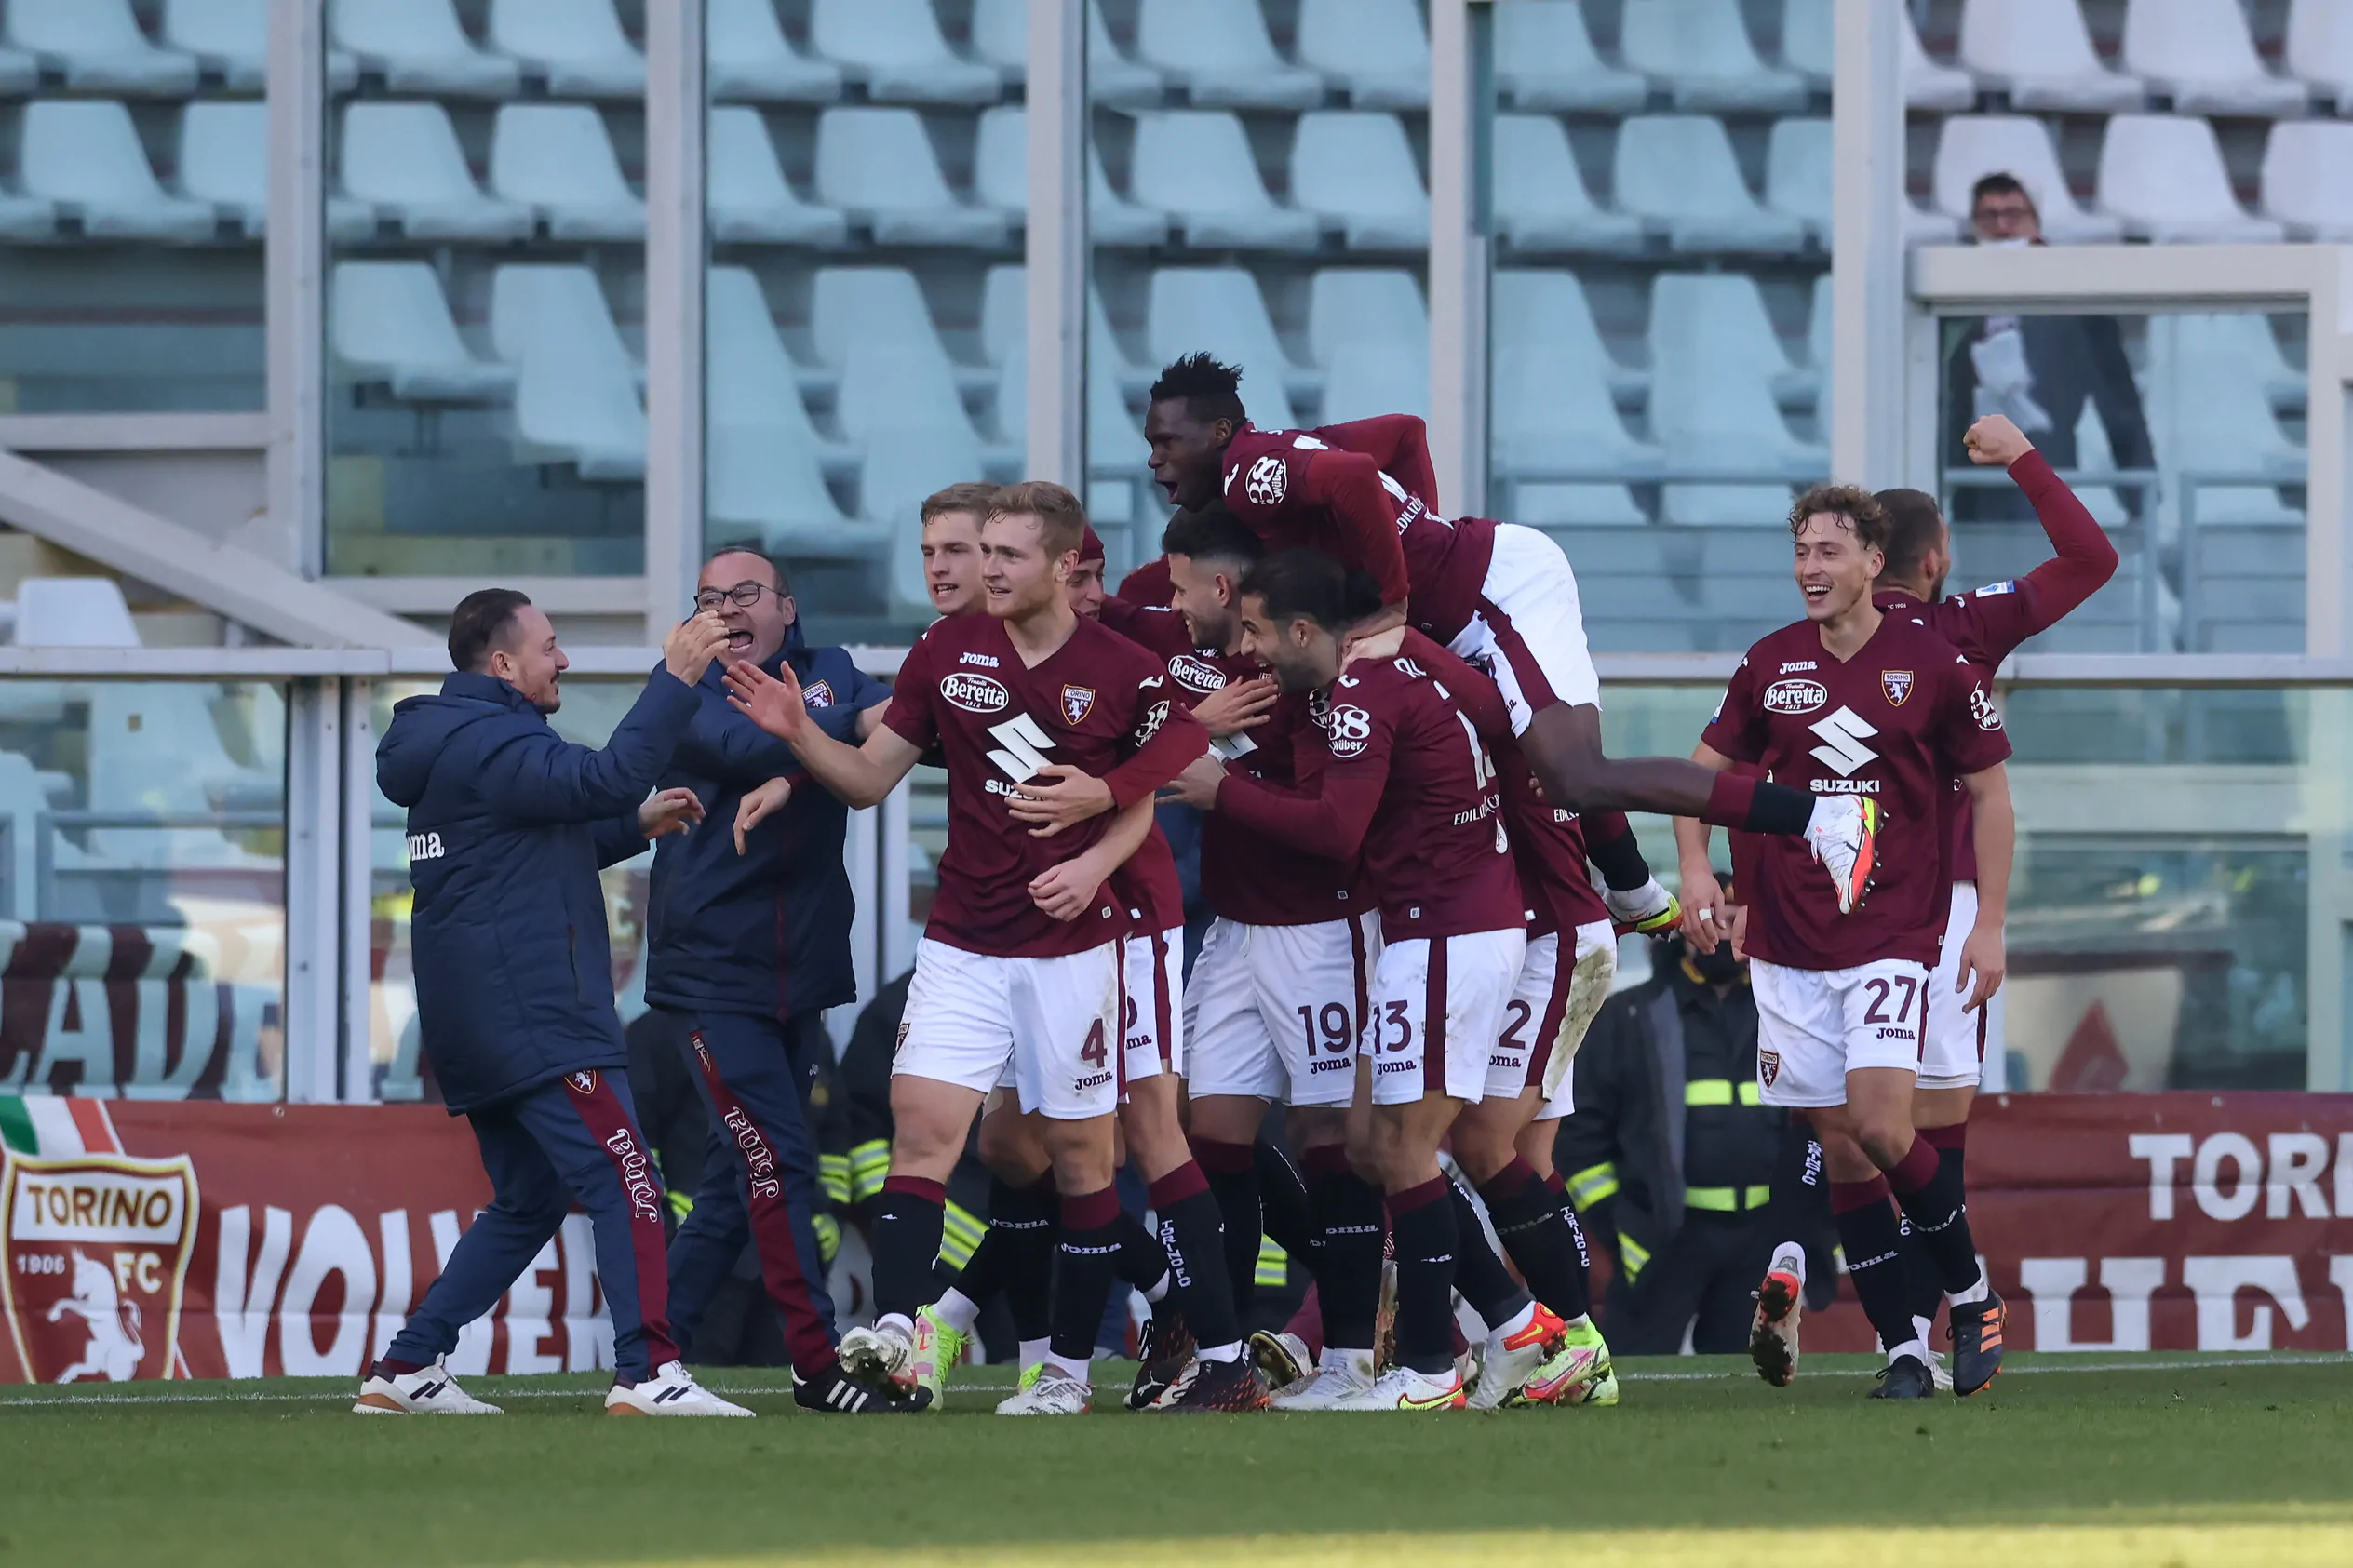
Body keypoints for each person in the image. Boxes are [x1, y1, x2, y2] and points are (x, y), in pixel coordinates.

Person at [722, 481, 1211, 1416]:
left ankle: (1067, 1370)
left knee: (1080, 1160)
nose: (977, 569)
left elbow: (1158, 776)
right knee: (926, 1129)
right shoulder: (942, 651)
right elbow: (868, 776)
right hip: (962, 940)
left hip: (1075, 947)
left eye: (998, 554)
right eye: (964, 552)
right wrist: (796, 739)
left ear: (1062, 564)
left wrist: (1096, 842)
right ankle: (902, 1334)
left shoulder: (1115, 662)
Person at [1139, 355, 1879, 910]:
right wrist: (1421, 537)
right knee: (1515, 747)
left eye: (1168, 441)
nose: (1155, 459)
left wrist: (1398, 592)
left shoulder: (1249, 471)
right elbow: (1404, 435)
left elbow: (1361, 478)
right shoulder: (1278, 456)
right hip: (1469, 596)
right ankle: (1629, 889)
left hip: (1499, 590)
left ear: (1221, 432)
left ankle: (1824, 815)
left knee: (1572, 771)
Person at [1744, 412, 2119, 1385]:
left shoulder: (1807, 652)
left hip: (1824, 900)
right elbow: (2090, 556)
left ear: (1871, 558)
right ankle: (1943, 1314)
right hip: (1942, 905)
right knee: (1919, 1140)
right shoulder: (1964, 628)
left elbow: (1742, 781)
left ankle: (1889, 1332)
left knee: (1844, 1128)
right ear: (1937, 554)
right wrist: (2024, 458)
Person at [1163, 549, 1553, 1412]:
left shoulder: (1361, 696)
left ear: (1307, 630)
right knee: (1381, 1146)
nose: (1253, 649)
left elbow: (1339, 830)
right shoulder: (1414, 668)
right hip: (1436, 930)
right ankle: (1519, 1327)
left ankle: (1425, 1371)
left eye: (1261, 632)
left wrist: (1220, 789)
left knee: (1399, 1148)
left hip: (1443, 931)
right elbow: (1492, 709)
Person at [359, 589, 747, 1417]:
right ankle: (649, 1372)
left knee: (531, 1198)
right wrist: (675, 677)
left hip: (482, 1021)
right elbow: (602, 775)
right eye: (551, 646)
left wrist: (634, 825)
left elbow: (529, 843)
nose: (563, 659)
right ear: (502, 664)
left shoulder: (457, 745)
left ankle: (409, 1364)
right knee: (631, 1176)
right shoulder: (492, 739)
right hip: (537, 1015)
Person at [915, 516, 1262, 1414]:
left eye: (980, 552)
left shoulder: (1135, 641)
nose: (1092, 595)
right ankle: (1161, 1305)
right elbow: (882, 730)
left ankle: (1210, 1349)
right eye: (947, 552)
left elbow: (1180, 739)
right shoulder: (963, 653)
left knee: (1136, 1135)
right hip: (1024, 933)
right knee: (1014, 1143)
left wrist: (1168, 747)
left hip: (1126, 916)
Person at [1674, 486, 2015, 1400]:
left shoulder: (1935, 664)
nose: (1808, 568)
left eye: (1827, 551)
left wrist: (1985, 923)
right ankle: (1903, 1347)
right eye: (1799, 551)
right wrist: (1700, 874)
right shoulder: (1767, 663)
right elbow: (1702, 777)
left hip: (1892, 932)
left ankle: (1972, 1293)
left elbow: (1988, 795)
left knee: (1877, 1122)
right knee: (1847, 1149)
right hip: (1787, 943)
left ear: (1873, 560)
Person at [642, 543, 913, 1414]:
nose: (726, 611)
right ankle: (817, 1361)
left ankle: (650, 1356)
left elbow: (895, 727)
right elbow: (759, 742)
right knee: (781, 1162)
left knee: (734, 1173)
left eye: (745, 594)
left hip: (800, 980)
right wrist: (813, 757)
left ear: (787, 608)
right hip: (712, 979)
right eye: (709, 599)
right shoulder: (683, 694)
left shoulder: (831, 670)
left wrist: (811, 762)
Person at [1555, 912, 1832, 1356]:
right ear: (1683, 932)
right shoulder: (1630, 1017)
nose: (1722, 932)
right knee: (1634, 1385)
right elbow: (1579, 1135)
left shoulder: (1785, 1017)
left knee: (1743, 1393)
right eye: (1711, 918)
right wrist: (1619, 1224)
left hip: (1759, 1240)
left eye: (1734, 917)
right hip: (1663, 1241)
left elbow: (1820, 1120)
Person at [1944, 173, 2152, 525]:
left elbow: (2119, 402)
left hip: (2046, 480)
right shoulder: (1948, 301)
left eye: (2013, 215)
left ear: (2036, 226)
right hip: (1974, 487)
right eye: (1989, 217)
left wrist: (2140, 500)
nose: (2002, 227)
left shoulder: (2071, 303)